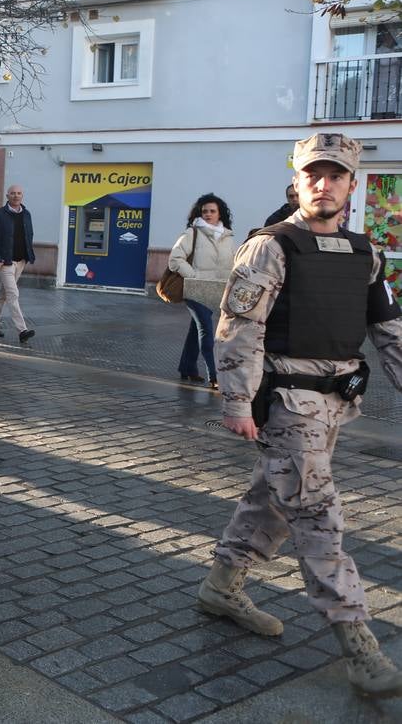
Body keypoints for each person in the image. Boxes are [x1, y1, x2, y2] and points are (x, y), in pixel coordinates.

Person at [198, 133, 402, 697]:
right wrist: (237, 401)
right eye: (314, 173)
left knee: (274, 499)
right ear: (297, 180)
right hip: (287, 405)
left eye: (335, 174)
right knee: (317, 514)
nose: (324, 183)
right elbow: (239, 327)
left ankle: (221, 586)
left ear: (352, 183)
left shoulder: (366, 253)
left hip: (335, 405)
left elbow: (389, 331)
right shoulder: (271, 246)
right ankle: (359, 642)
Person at [167, 194, 236, 389]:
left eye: (212, 211)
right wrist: (194, 276)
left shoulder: (228, 237)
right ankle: (214, 376)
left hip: (217, 290)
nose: (208, 214)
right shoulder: (192, 233)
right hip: (196, 290)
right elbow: (175, 259)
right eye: (204, 211)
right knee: (206, 331)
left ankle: (187, 367)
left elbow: (233, 263)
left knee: (195, 330)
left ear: (219, 213)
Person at [0, 184, 34, 344]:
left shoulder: (26, 214)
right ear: (7, 196)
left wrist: (28, 255)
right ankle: (22, 330)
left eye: (19, 193)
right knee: (13, 294)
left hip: (21, 261)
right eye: (13, 193)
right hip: (5, 261)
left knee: (3, 295)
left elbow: (29, 235)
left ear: (22, 196)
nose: (16, 196)